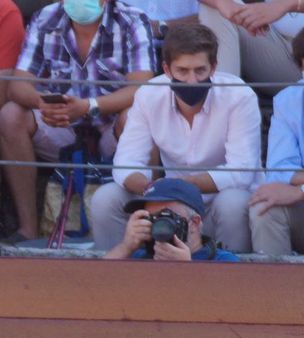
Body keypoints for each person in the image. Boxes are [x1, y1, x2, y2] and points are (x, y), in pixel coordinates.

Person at [90, 22, 258, 251]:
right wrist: (152, 188)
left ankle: (228, 281)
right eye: (182, 71)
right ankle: (118, 278)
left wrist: (181, 186)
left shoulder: (239, 95)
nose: (192, 80)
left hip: (217, 203)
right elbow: (125, 163)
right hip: (168, 204)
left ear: (214, 67)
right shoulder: (149, 94)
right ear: (167, 70)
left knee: (234, 203)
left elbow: (242, 172)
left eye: (200, 70)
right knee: (105, 198)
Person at [0, 0, 155, 240]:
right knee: (11, 115)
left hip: (112, 127)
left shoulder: (132, 20)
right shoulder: (44, 18)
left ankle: (149, 222)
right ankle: (27, 228)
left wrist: (88, 107)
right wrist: (45, 103)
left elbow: (142, 88)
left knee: (138, 116)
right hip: (60, 124)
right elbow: (17, 86)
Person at [248, 34, 304, 254]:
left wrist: (300, 190)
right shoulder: (288, 99)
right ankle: (271, 288)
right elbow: (279, 169)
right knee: (264, 206)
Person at [103, 174, 240, 257]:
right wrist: (126, 247)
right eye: (152, 218)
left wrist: (185, 268)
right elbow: (94, 285)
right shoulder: (139, 256)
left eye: (167, 217)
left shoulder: (223, 262)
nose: (159, 224)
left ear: (195, 222)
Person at [194, 0, 301, 94]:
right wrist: (236, 12)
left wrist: (288, 4)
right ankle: (224, 103)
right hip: (280, 47)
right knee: (218, 8)